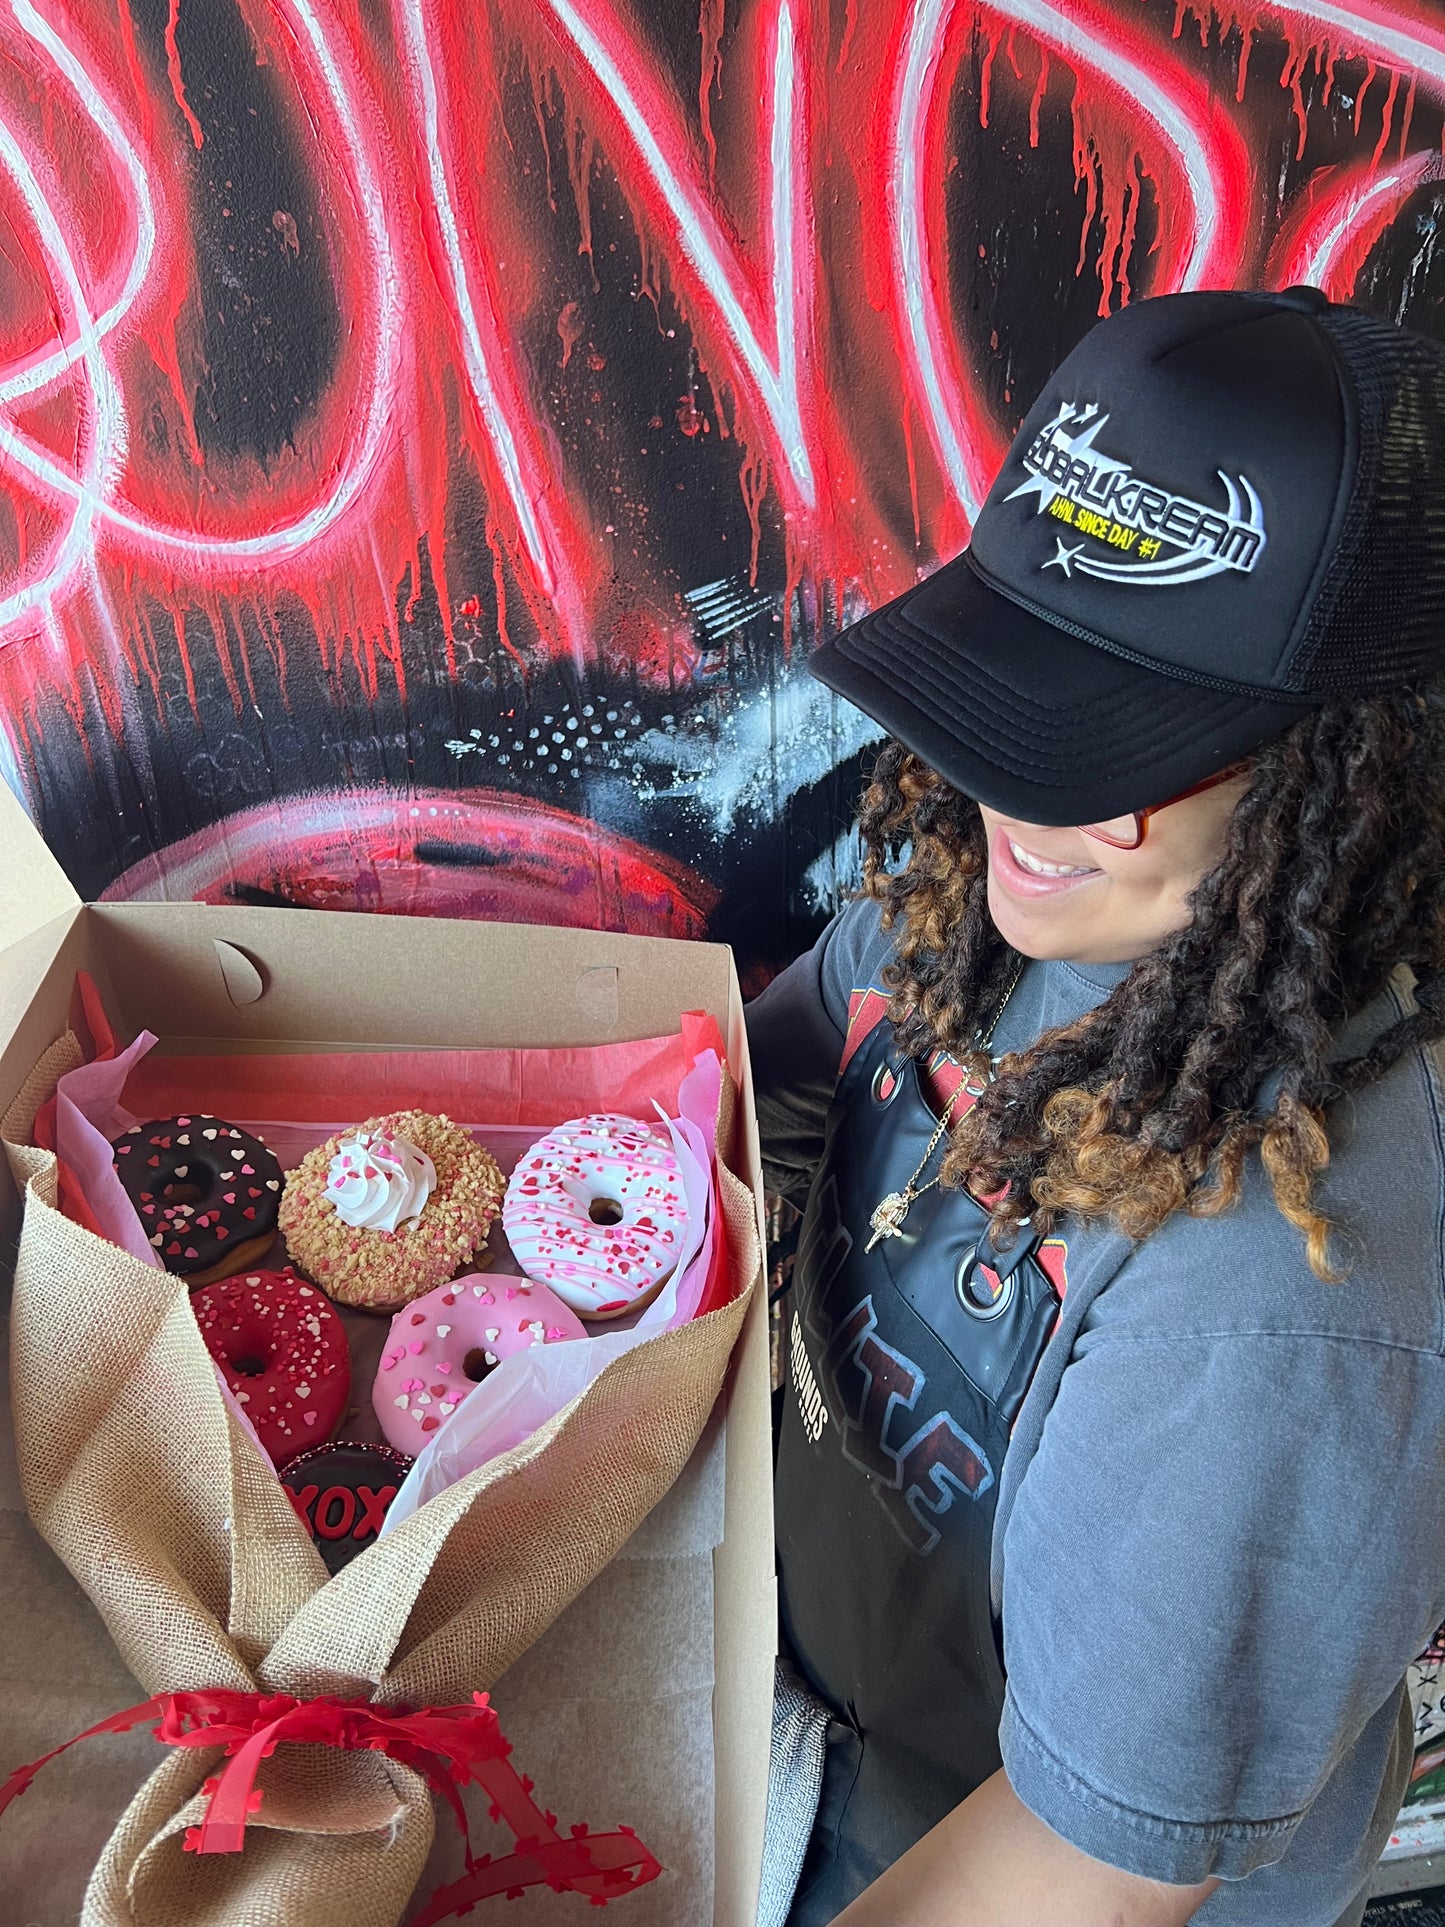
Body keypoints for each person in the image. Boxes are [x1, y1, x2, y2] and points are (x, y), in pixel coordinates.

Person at [746, 286, 1445, 1927]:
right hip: (798, 1706)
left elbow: (1079, 1873)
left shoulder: (1281, 1299)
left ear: (1366, 774)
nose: (1058, 804)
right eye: (1040, 687)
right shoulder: (981, 911)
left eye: (1180, 741)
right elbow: (747, 1107)